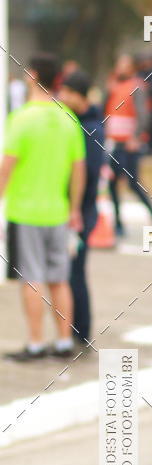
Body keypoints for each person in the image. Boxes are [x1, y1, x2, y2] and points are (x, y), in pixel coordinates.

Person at [1, 52, 85, 362]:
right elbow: (79, 170)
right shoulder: (68, 118)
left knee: (31, 278)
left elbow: (6, 168)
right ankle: (64, 342)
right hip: (58, 211)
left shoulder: (21, 118)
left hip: (25, 212)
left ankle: (36, 343)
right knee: (59, 278)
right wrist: (73, 208)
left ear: (34, 76)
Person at [59, 69, 104, 350]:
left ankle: (80, 331)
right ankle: (76, 329)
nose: (61, 97)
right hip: (80, 210)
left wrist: (75, 211)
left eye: (66, 92)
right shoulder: (79, 121)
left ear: (78, 95)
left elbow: (86, 173)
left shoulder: (91, 128)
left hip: (82, 212)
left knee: (75, 272)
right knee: (71, 271)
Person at [104, 55, 152, 236]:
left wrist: (136, 138)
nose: (120, 68)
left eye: (124, 65)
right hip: (115, 143)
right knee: (112, 183)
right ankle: (118, 223)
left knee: (133, 184)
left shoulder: (136, 86)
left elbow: (144, 114)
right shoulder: (113, 86)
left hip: (129, 144)